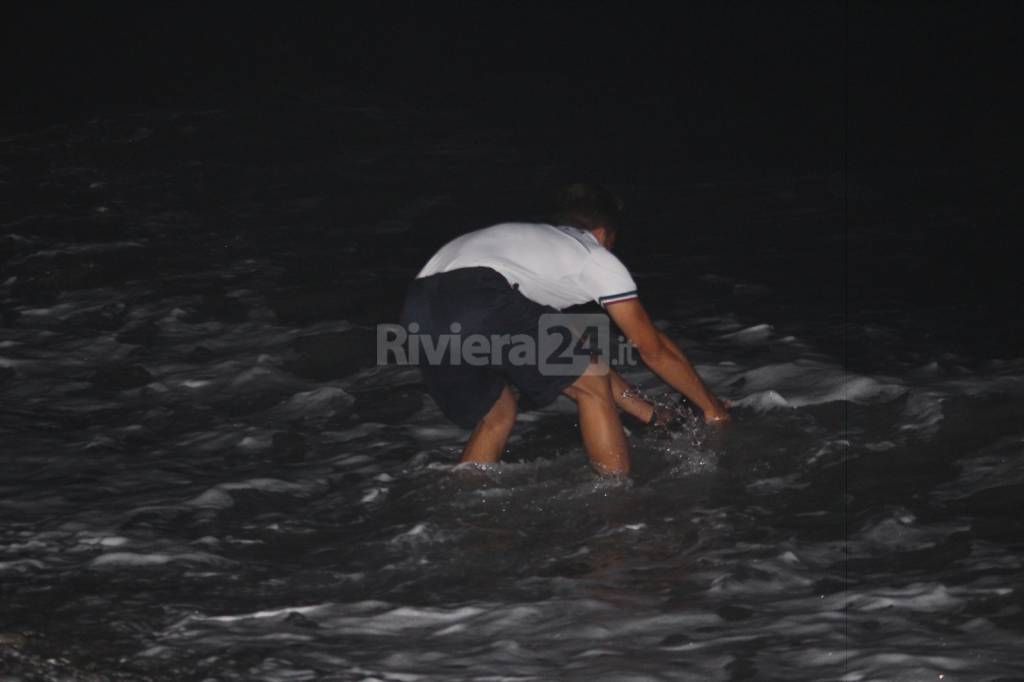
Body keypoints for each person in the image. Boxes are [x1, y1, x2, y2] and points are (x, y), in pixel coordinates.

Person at [398, 183, 728, 476]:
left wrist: (652, 415)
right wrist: (711, 409)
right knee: (590, 389)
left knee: (496, 413)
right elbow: (652, 348)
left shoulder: (529, 253)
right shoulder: (591, 255)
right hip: (479, 293)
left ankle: (462, 501)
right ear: (603, 233)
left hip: (417, 308)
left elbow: (583, 356)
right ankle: (617, 503)